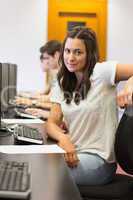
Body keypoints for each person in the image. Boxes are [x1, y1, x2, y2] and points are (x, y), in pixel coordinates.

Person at [46, 26, 133, 186]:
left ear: (89, 54)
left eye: (78, 52)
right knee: (38, 165)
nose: (71, 57)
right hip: (73, 151)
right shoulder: (62, 82)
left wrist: (129, 86)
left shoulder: (102, 72)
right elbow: (52, 122)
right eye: (67, 51)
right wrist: (63, 138)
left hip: (99, 161)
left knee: (46, 174)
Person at [16, 40, 61, 119]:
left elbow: (51, 100)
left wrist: (32, 102)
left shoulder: (62, 76)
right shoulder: (57, 74)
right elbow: (49, 97)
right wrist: (28, 97)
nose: (46, 62)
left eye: (46, 58)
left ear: (57, 55)